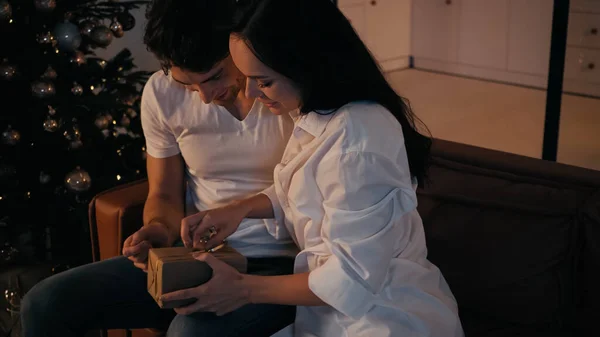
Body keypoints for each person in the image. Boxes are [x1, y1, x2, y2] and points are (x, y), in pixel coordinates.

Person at [161, 0, 465, 336]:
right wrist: (238, 209)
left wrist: (242, 288)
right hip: (324, 314)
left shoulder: (358, 141)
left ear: (305, 65)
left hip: (382, 318)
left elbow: (351, 279)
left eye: (262, 81)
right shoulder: (317, 115)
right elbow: (307, 188)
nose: (248, 91)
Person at [19, 1, 298, 336]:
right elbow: (164, 192)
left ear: (238, 45)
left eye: (215, 77)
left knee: (190, 331)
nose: (206, 98)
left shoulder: (283, 88)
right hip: (196, 257)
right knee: (45, 303)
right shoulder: (161, 94)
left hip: (282, 262)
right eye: (189, 86)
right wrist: (157, 229)